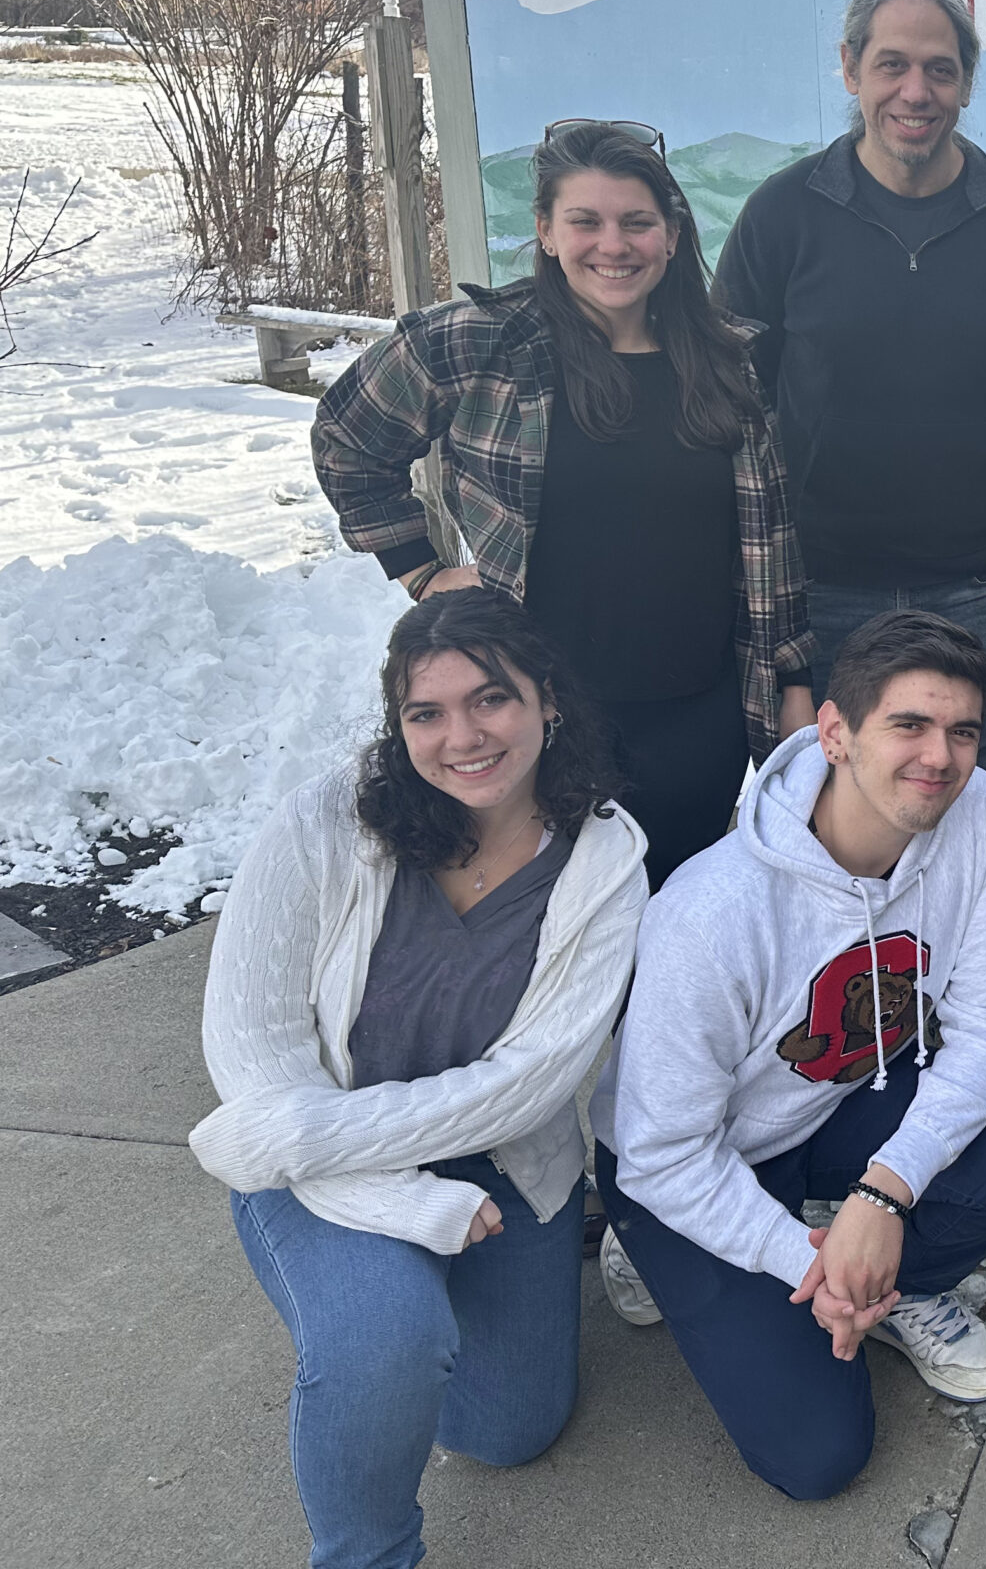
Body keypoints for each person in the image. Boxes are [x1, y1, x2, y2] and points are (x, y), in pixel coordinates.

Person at [191, 588, 647, 1569]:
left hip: (486, 1165)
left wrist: (290, 1140)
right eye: (426, 713)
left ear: (547, 701)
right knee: (382, 1341)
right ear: (397, 726)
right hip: (326, 1166)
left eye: (491, 700)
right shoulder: (323, 826)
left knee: (506, 1431)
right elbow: (252, 1049)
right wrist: (403, 1206)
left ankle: (390, 1326)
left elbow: (525, 1087)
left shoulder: (605, 860)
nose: (462, 736)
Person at [589, 610, 986, 1502]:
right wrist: (813, 1264)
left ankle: (905, 1287)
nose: (940, 757)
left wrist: (883, 1197)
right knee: (818, 1458)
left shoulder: (977, 814)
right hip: (692, 1159)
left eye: (962, 731)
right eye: (909, 725)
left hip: (841, 1096)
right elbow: (663, 1148)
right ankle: (655, 1243)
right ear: (836, 732)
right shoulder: (712, 911)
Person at [313, 119, 817, 890]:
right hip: (535, 716)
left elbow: (765, 546)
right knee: (543, 931)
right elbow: (348, 437)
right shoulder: (476, 344)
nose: (612, 245)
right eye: (585, 221)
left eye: (636, 222)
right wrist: (419, 569)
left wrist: (792, 683)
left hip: (698, 714)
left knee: (670, 920)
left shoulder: (728, 360)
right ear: (546, 231)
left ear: (672, 236)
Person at [715, 0, 986, 794]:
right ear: (851, 69)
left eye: (940, 69)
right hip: (820, 595)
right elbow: (728, 401)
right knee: (826, 824)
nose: (915, 92)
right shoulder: (782, 218)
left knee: (963, 821)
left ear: (965, 82)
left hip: (984, 591)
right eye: (892, 65)